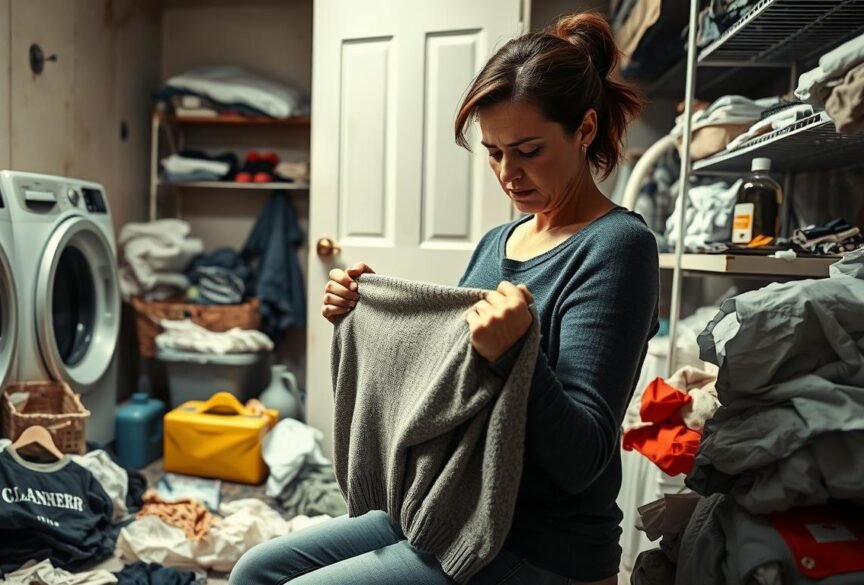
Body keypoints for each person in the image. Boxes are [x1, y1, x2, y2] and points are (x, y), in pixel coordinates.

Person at [231, 11, 659, 585]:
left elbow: (583, 458)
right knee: (254, 570)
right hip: (453, 505)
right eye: (494, 152)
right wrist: (369, 313)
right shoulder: (498, 242)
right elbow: (450, 381)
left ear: (584, 130)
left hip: (538, 542)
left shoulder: (618, 247)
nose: (509, 173)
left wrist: (513, 354)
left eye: (529, 150)